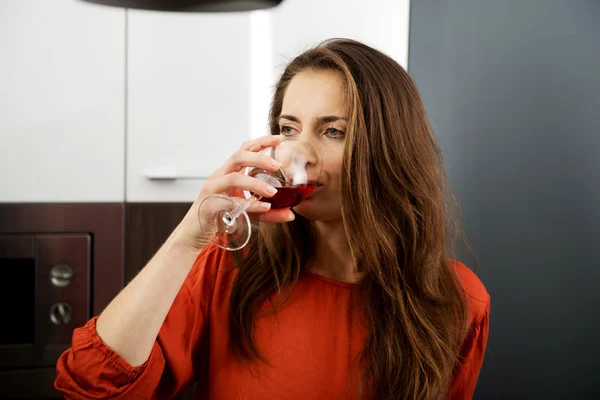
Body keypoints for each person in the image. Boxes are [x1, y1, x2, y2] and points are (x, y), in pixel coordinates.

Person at [54, 38, 490, 400]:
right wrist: (189, 236)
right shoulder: (227, 270)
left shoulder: (457, 301)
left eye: (333, 131)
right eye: (288, 129)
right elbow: (91, 385)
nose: (299, 154)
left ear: (389, 148)